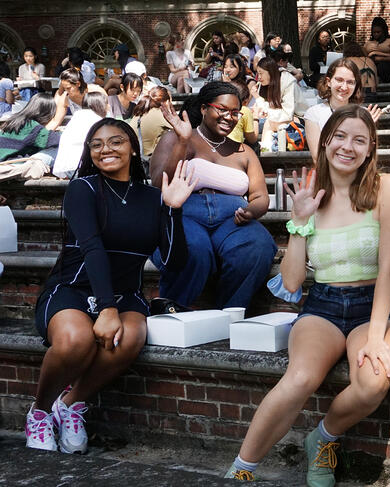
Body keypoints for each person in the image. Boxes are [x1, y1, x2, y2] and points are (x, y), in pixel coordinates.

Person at [223, 105, 390, 485]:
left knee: (373, 382)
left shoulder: (387, 188)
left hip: (375, 307)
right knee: (300, 379)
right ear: (325, 143)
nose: (348, 147)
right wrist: (299, 222)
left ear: (370, 149)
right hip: (323, 306)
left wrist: (375, 338)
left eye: (359, 140)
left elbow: (389, 268)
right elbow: (292, 283)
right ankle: (241, 471)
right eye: (339, 136)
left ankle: (323, 438)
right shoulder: (312, 195)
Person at [25, 118, 195, 453]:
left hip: (125, 294)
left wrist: (172, 210)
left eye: (116, 141)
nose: (106, 149)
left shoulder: (153, 197)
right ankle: (40, 412)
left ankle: (70, 404)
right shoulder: (83, 189)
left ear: (133, 148)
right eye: (97, 144)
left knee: (131, 337)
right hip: (73, 289)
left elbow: (174, 262)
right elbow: (92, 248)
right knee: (76, 340)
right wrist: (106, 308)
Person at [149, 81, 277, 309]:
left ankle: (229, 312)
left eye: (235, 112)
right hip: (184, 214)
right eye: (222, 109)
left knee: (258, 246)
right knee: (193, 250)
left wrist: (250, 211)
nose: (229, 117)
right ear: (204, 109)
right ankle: (172, 310)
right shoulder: (176, 138)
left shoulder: (244, 151)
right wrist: (182, 142)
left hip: (232, 220)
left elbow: (260, 197)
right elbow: (160, 183)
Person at [306, 59, 365, 160]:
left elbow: (365, 154)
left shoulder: (363, 114)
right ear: (328, 82)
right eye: (339, 80)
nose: (344, 87)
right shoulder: (314, 113)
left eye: (350, 82)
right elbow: (317, 157)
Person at [53, 92, 109, 178]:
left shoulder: (77, 116)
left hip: (67, 169)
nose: (108, 107)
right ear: (100, 105)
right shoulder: (96, 120)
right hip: (81, 168)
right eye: (106, 104)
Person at [0, 92, 64, 164]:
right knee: (58, 150)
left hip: (3, 163)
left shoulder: (16, 120)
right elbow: (58, 140)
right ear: (46, 113)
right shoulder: (31, 126)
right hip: (14, 165)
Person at [252, 57, 303, 135]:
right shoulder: (263, 84)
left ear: (270, 72)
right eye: (257, 73)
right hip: (275, 117)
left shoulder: (287, 82)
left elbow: (287, 114)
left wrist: (259, 101)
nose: (259, 77)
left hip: (295, 117)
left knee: (267, 124)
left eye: (261, 73)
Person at [129, 87, 173, 160]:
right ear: (167, 102)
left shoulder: (141, 112)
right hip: (147, 159)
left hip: (134, 156)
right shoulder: (160, 114)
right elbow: (180, 131)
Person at [227, 82, 258, 148]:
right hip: (234, 147)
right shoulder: (244, 110)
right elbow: (252, 139)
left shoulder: (221, 107)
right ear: (245, 101)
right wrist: (256, 118)